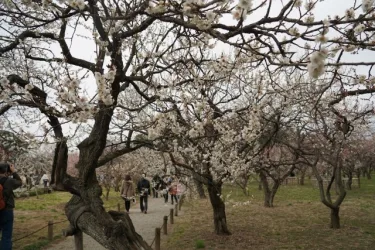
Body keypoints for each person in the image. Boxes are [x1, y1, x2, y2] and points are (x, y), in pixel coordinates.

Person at [0, 162, 22, 250]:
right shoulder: (9, 181)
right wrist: (14, 172)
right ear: (6, 171)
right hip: (7, 210)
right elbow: (20, 182)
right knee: (6, 236)